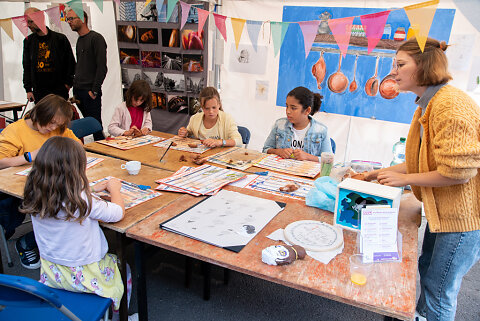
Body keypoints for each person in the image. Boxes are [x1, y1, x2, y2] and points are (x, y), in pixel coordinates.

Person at [363, 37, 480, 321]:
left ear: (424, 66)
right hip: (444, 214)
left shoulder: (449, 105)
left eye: (401, 64)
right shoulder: (428, 104)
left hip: (463, 221)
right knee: (428, 271)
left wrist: (404, 180)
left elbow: (458, 171)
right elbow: (425, 161)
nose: (394, 72)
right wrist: (376, 173)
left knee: (439, 292)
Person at [19, 136, 127, 320]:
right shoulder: (81, 200)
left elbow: (64, 196)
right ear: (75, 171)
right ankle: (118, 317)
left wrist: (91, 189)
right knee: (125, 269)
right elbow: (117, 213)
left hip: (52, 274)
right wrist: (114, 189)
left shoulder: (34, 193)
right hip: (86, 275)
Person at [0, 94, 80, 269]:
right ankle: (27, 242)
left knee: (79, 200)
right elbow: (1, 162)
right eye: (51, 123)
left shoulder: (58, 128)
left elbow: (76, 146)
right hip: (24, 187)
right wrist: (29, 156)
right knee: (66, 205)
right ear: (39, 114)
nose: (53, 128)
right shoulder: (15, 131)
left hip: (54, 181)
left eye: (58, 125)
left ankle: (61, 240)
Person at [66, 10, 107, 141]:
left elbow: (102, 67)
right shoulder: (80, 41)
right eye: (68, 19)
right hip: (79, 90)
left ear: (82, 19)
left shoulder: (96, 38)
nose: (69, 22)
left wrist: (94, 89)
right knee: (86, 125)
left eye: (71, 18)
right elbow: (80, 65)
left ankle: (102, 152)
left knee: (96, 126)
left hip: (90, 90)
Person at [262, 86, 332, 161]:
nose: (288, 111)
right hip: (281, 170)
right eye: (287, 106)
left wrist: (307, 157)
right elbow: (265, 149)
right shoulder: (279, 125)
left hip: (305, 171)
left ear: (307, 110)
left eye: (293, 108)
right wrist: (278, 151)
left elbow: (329, 160)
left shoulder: (321, 130)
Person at [23, 7, 76, 103]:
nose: (28, 25)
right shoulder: (29, 41)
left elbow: (70, 63)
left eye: (31, 22)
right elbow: (26, 66)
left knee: (60, 116)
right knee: (41, 117)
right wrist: (28, 89)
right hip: (39, 91)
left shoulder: (60, 39)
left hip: (59, 90)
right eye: (27, 22)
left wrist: (68, 84)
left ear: (40, 18)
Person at [178, 87, 242, 147]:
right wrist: (184, 133)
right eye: (207, 108)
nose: (211, 111)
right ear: (202, 107)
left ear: (219, 104)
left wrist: (219, 142)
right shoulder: (194, 118)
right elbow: (188, 132)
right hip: (200, 155)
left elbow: (239, 142)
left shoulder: (227, 119)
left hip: (219, 155)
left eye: (214, 107)